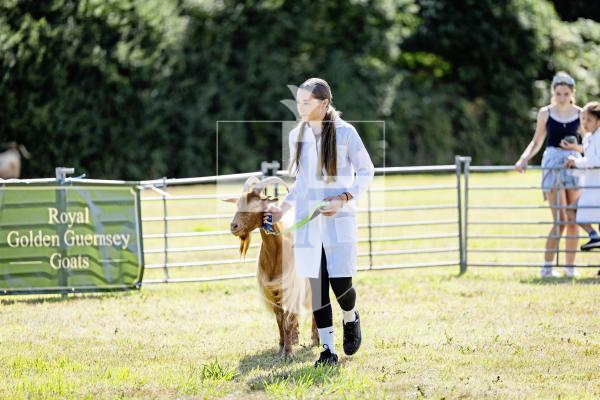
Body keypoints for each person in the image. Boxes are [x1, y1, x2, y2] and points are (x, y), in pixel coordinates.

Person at [265, 78, 374, 366]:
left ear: (324, 104)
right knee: (317, 284)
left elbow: (366, 171)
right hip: (309, 222)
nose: (301, 108)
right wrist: (282, 207)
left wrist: (344, 198)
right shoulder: (296, 136)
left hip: (340, 219)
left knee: (341, 285)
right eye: (299, 102)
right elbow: (301, 182)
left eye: (307, 102)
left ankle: (351, 317)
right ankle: (327, 349)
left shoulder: (346, 133)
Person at [515, 72, 583, 278]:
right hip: (553, 164)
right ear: (553, 92)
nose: (562, 97)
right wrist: (524, 158)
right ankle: (546, 266)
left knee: (574, 218)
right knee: (560, 220)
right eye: (558, 93)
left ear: (572, 93)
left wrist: (575, 148)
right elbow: (537, 141)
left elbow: (588, 145)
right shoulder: (546, 113)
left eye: (566, 93)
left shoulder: (581, 113)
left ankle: (570, 268)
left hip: (574, 164)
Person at [565, 102, 600, 261]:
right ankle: (594, 236)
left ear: (598, 121)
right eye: (583, 119)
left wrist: (577, 161)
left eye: (589, 120)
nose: (585, 123)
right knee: (571, 211)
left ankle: (595, 237)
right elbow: (588, 164)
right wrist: (573, 166)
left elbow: (597, 161)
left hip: (598, 187)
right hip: (590, 186)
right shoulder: (587, 138)